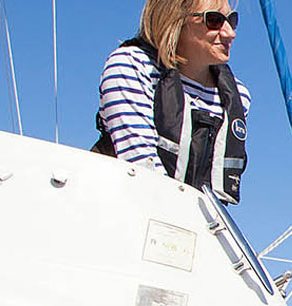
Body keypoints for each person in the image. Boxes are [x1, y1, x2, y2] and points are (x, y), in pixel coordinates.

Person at [95, 0, 249, 204]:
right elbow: (141, 165)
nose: (230, 33)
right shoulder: (131, 67)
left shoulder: (239, 96)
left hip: (186, 223)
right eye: (214, 20)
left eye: (232, 20)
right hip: (117, 208)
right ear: (176, 19)